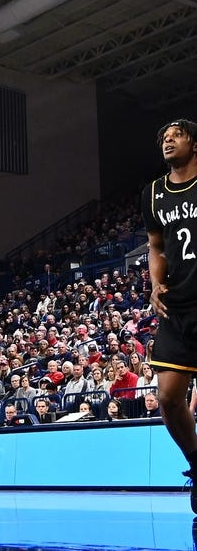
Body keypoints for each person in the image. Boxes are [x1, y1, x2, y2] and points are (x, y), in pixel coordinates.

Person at [142, 119, 197, 512]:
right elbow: (155, 246)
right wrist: (155, 283)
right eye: (163, 137)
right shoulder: (153, 193)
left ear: (194, 143)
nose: (167, 141)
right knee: (167, 397)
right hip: (177, 305)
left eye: (175, 135)